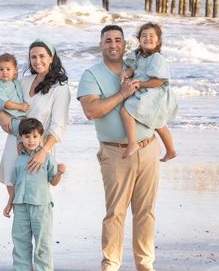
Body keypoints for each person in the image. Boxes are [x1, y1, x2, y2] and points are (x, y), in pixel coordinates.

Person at [77, 24, 160, 271]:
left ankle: (145, 265)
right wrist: (122, 94)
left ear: (125, 44)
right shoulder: (91, 75)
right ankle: (110, 265)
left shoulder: (140, 68)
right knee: (115, 213)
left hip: (148, 147)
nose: (113, 45)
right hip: (115, 152)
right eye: (108, 41)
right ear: (101, 44)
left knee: (146, 212)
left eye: (118, 40)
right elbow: (91, 111)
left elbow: (159, 95)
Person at [0, 39, 70, 192]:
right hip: (13, 144)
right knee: (16, 201)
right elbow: (0, 98)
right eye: (33, 57)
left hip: (39, 148)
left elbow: (58, 126)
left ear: (51, 58)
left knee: (37, 201)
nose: (37, 61)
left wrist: (43, 152)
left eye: (42, 56)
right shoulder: (23, 82)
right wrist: (1, 115)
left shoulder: (60, 88)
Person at [2, 118, 65, 271]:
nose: (31, 140)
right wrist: (9, 203)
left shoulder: (48, 158)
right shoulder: (18, 160)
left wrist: (60, 173)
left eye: (35, 136)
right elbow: (15, 184)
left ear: (41, 137)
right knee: (20, 242)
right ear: (20, 138)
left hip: (41, 207)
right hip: (21, 207)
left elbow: (54, 182)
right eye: (27, 136)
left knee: (43, 244)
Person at [119, 22, 178, 161]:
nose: (147, 38)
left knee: (126, 111)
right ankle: (171, 150)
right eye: (144, 36)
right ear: (139, 39)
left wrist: (141, 84)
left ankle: (133, 143)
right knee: (158, 123)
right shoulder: (138, 55)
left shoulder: (157, 58)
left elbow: (160, 81)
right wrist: (126, 73)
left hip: (153, 92)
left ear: (158, 40)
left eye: (152, 36)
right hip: (143, 90)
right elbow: (133, 68)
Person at [0, 53, 29, 137]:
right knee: (26, 132)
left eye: (8, 69)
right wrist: (20, 106)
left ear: (15, 70)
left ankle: (22, 146)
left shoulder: (14, 81)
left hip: (19, 117)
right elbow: (5, 103)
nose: (5, 72)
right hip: (10, 119)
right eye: (1, 69)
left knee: (25, 135)